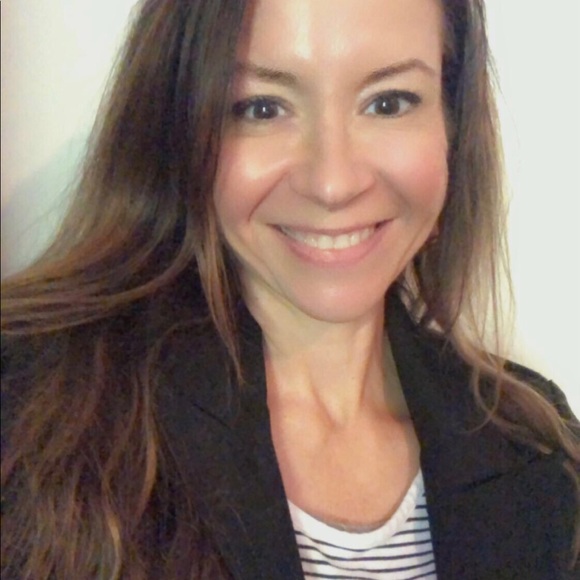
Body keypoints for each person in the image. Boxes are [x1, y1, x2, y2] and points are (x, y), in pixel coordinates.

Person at [1, 0, 578, 578]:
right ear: (179, 131)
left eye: (389, 102)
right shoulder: (27, 412)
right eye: (262, 107)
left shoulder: (539, 445)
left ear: (452, 127)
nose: (332, 184)